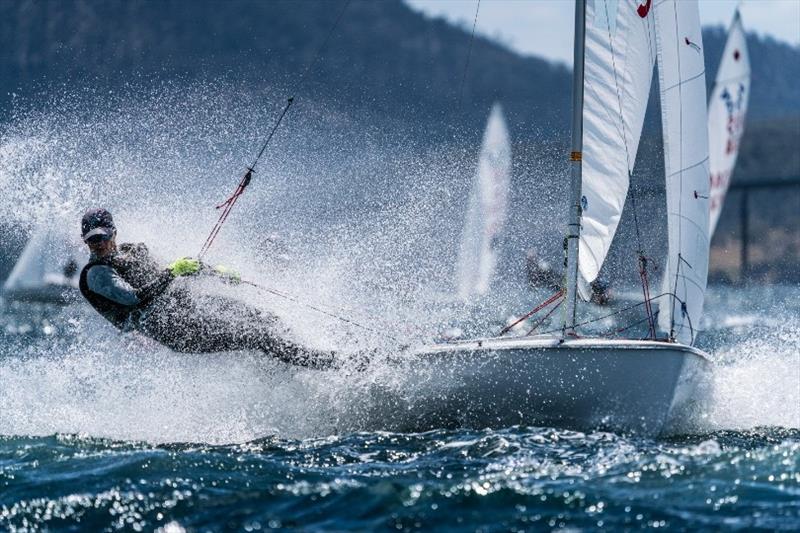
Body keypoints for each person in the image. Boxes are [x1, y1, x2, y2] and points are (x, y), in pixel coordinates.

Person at [78, 208, 338, 369]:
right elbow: (134, 298)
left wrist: (214, 272)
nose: (97, 244)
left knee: (261, 317)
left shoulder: (131, 250)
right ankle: (326, 363)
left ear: (114, 232)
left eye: (101, 237)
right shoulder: (96, 274)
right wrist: (173, 272)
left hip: (188, 307)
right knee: (254, 336)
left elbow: (169, 270)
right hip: (177, 331)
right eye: (91, 240)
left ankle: (305, 354)